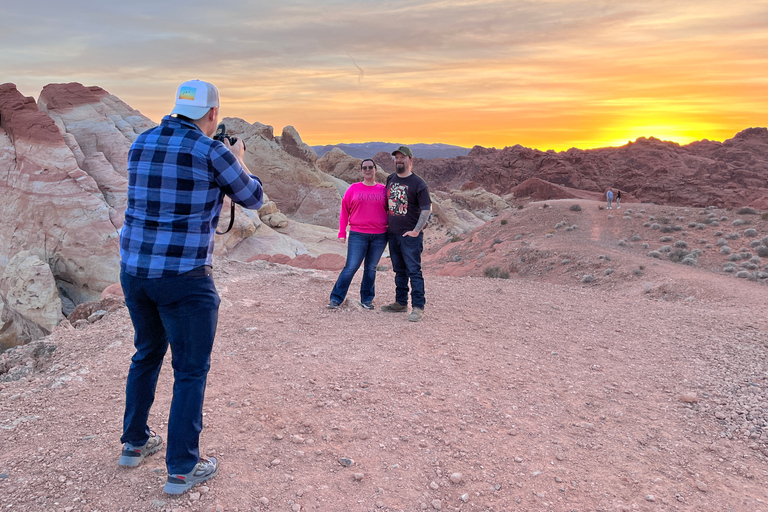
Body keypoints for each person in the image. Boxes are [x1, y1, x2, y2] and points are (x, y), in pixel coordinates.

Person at [117, 80, 264, 495]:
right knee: (190, 369)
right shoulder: (212, 151)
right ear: (213, 114)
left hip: (135, 272)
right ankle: (181, 468)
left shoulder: (141, 142)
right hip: (184, 278)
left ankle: (134, 443)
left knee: (146, 353)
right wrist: (238, 158)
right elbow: (253, 197)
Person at [327, 158, 388, 310]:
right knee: (351, 267)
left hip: (380, 236)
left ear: (375, 169)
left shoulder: (383, 190)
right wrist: (342, 232)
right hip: (358, 234)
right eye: (365, 168)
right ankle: (335, 299)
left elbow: (392, 211)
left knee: (371, 268)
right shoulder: (353, 189)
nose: (368, 170)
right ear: (361, 171)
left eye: (370, 167)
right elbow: (344, 211)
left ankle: (367, 300)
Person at [381, 146, 431, 322]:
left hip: (410, 237)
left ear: (411, 160)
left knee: (413, 271)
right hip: (393, 234)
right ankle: (401, 303)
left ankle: (418, 307)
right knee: (399, 271)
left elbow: (426, 210)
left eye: (403, 157)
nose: (399, 160)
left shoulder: (418, 183)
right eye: (396, 157)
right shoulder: (391, 179)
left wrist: (416, 231)